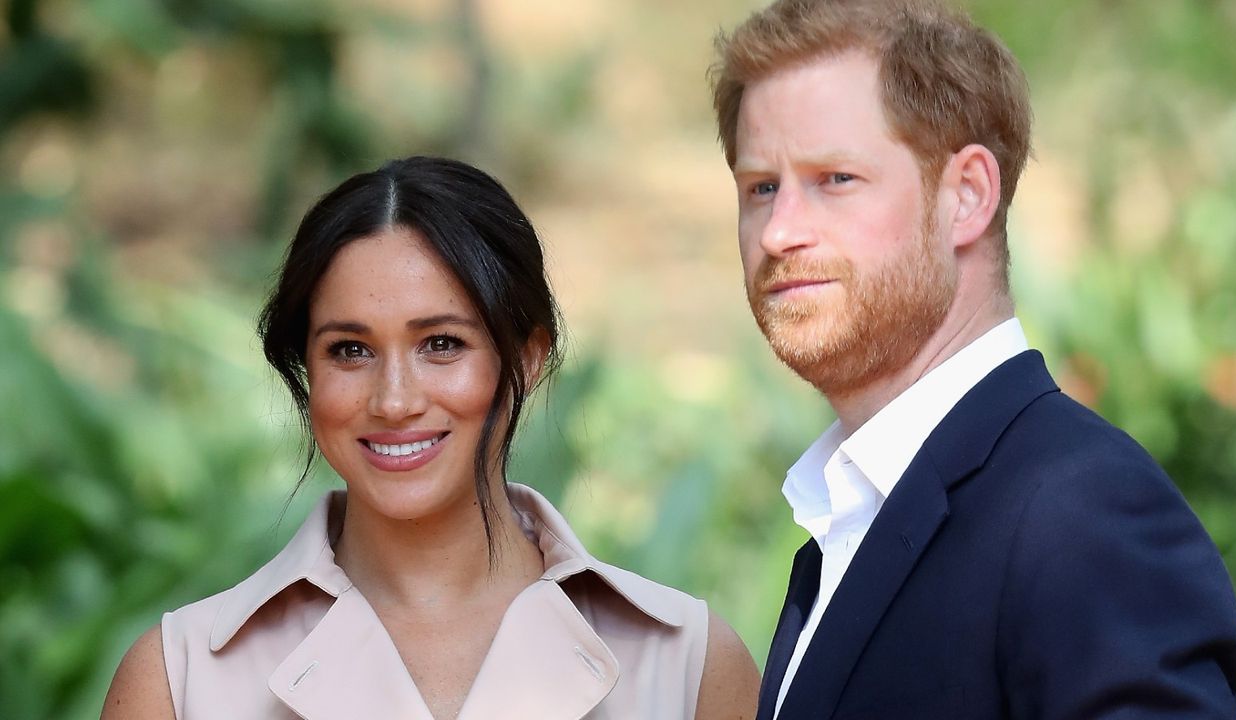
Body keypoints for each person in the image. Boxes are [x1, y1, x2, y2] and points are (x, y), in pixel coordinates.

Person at [708, 1, 1236, 718]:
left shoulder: (1085, 514)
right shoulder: (848, 521)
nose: (778, 231)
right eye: (761, 188)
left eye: (834, 178)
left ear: (967, 196)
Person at [102, 156, 760, 719]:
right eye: (350, 350)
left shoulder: (689, 668)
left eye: (441, 344)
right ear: (306, 370)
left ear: (527, 358)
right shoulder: (179, 681)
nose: (394, 400)